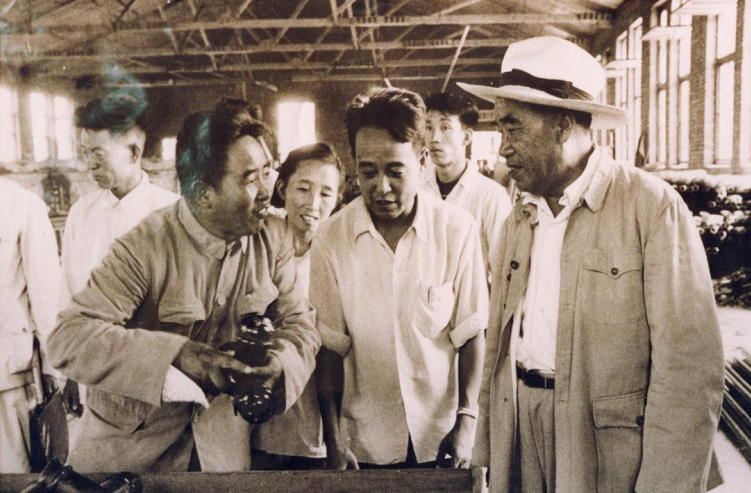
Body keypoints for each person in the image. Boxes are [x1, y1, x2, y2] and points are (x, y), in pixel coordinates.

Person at [458, 36, 724, 493]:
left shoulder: (650, 208)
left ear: (562, 126)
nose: (503, 149)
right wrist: (489, 450)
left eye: (513, 128)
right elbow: (498, 347)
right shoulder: (518, 218)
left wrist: (664, 487)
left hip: (606, 447)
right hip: (520, 425)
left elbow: (689, 366)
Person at [47, 98, 320, 473]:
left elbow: (299, 324)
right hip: (130, 455)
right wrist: (176, 355)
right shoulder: (145, 246)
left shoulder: (271, 239)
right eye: (248, 179)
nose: (265, 192)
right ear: (203, 193)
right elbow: (69, 337)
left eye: (266, 172)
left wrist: (281, 362)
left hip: (220, 452)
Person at [311, 87, 488, 470]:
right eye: (367, 172)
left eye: (395, 171)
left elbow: (471, 334)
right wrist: (334, 439)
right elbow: (330, 348)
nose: (382, 187)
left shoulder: (457, 230)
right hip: (365, 443)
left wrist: (467, 419)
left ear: (422, 161)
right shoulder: (331, 238)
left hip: (440, 438)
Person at [59, 92, 179, 424]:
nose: (89, 164)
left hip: (157, 375)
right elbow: (68, 294)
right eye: (85, 153)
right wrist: (67, 372)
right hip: (94, 371)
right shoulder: (82, 213)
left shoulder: (171, 212)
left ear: (134, 152)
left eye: (98, 153)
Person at [252, 143, 345, 470]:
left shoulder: (339, 256)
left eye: (326, 193)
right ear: (282, 189)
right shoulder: (258, 244)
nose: (313, 203)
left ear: (338, 199)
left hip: (319, 419)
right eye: (303, 189)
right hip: (259, 414)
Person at [0, 178, 60, 473]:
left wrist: (53, 366)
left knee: (11, 471)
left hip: (5, 369)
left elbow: (45, 291)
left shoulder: (21, 204)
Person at [422, 93, 511, 276]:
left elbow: (503, 270)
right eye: (429, 127)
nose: (434, 137)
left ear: (466, 137)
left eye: (445, 127)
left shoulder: (491, 196)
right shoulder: (418, 191)